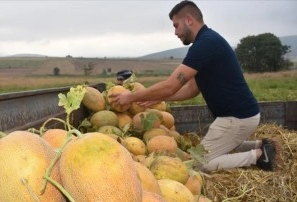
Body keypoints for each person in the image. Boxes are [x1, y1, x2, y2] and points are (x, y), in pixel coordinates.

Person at [110, 0, 276, 172]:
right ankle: (260, 144)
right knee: (218, 147)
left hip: (236, 119)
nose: (175, 32)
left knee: (200, 163)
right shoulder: (208, 41)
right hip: (241, 117)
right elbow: (191, 90)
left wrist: (131, 96)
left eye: (176, 25)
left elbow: (171, 85)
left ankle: (259, 155)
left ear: (189, 20)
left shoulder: (205, 44)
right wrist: (157, 97)